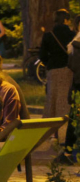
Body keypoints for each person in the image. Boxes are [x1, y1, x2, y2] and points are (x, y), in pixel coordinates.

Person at [40, 8, 76, 144]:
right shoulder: (72, 34)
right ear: (66, 20)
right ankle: (64, 134)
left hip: (53, 71)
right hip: (68, 70)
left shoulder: (49, 35)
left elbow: (42, 55)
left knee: (52, 101)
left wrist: (49, 63)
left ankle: (52, 134)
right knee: (65, 102)